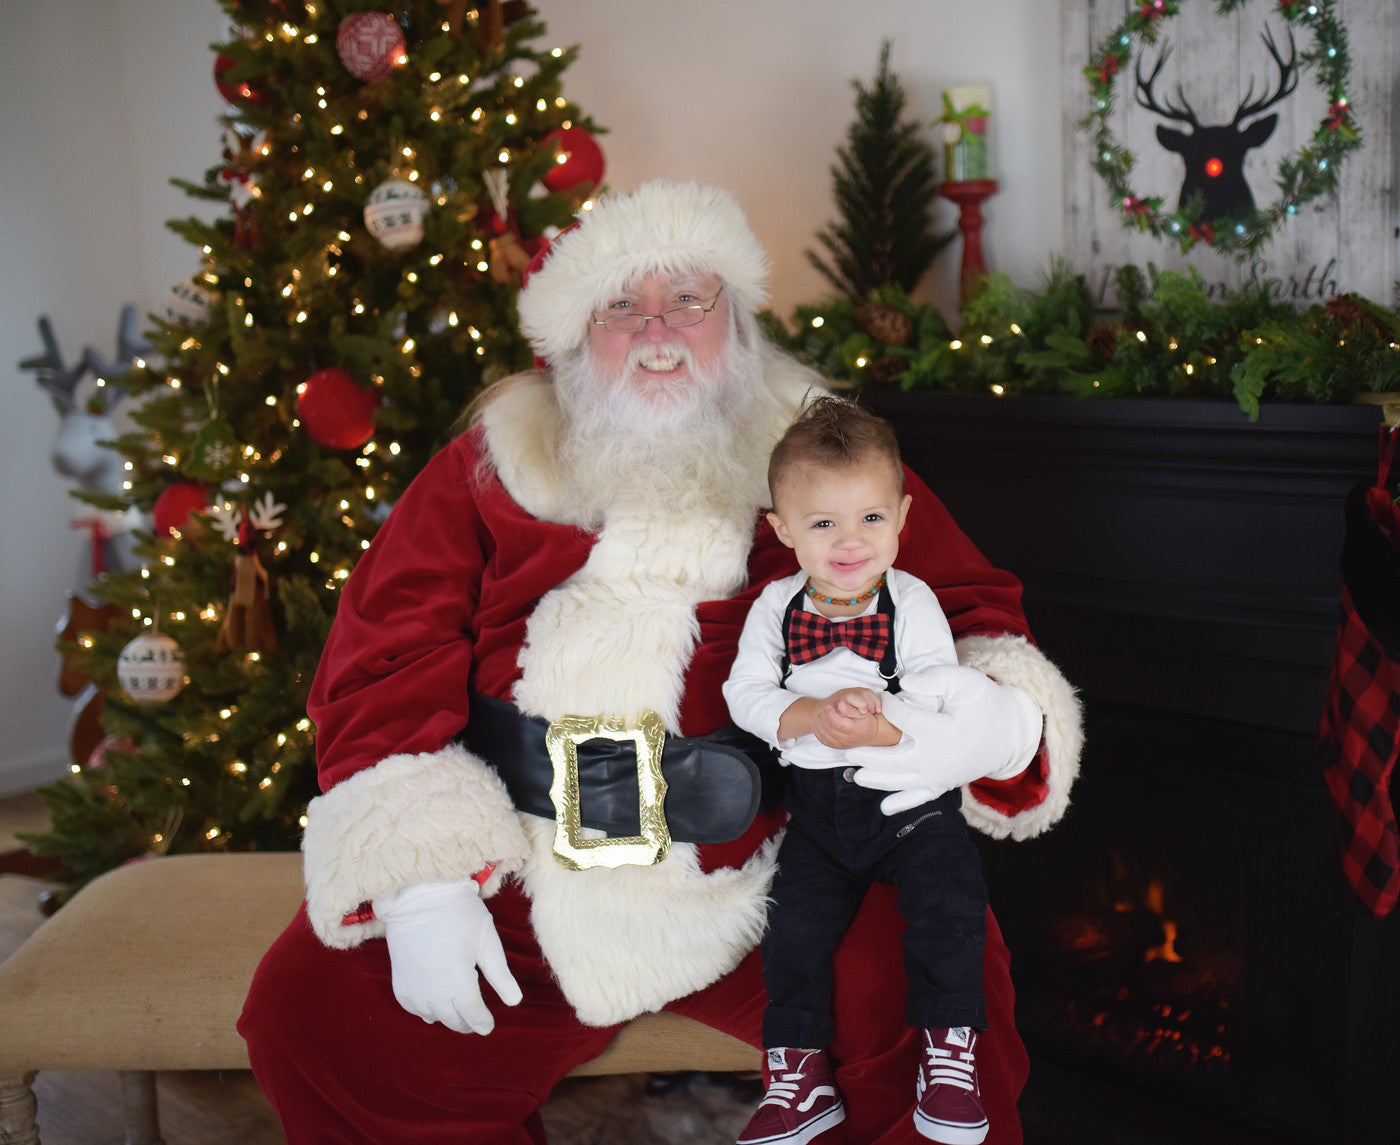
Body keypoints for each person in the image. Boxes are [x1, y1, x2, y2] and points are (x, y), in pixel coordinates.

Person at [237, 179, 1082, 1144]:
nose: (658, 329)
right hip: (519, 865)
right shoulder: (488, 468)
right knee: (314, 1017)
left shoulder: (815, 451)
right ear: (571, 339)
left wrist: (997, 718)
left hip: (784, 856)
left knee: (936, 996)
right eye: (621, 306)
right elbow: (383, 661)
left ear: (737, 317)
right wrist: (422, 879)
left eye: (691, 297)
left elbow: (967, 607)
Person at [724, 395, 1009, 1145]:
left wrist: (881, 726)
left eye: (870, 519)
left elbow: (939, 693)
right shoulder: (775, 609)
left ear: (902, 517)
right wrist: (810, 718)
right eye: (823, 524)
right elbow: (746, 693)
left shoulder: (910, 602)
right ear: (783, 529)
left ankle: (949, 1055)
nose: (850, 542)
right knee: (794, 928)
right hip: (818, 809)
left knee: (949, 899)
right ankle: (797, 1074)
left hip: (906, 799)